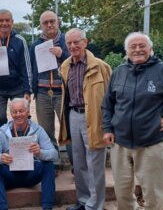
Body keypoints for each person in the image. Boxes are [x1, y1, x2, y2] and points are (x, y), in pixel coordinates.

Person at [102, 32, 163, 210]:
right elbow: (107, 104)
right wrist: (107, 128)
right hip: (120, 144)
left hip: (150, 144)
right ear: (126, 51)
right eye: (133, 46)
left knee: (153, 195)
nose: (138, 49)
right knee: (122, 193)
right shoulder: (119, 72)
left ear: (150, 49)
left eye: (142, 45)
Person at [59, 28, 112, 210]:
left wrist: (108, 125)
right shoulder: (65, 66)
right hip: (73, 115)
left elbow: (110, 98)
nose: (73, 46)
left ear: (85, 42)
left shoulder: (101, 67)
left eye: (76, 42)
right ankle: (83, 200)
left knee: (95, 164)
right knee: (79, 161)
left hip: (94, 117)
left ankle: (95, 205)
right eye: (69, 43)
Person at [0, 98, 58, 210]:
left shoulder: (38, 130)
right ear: (11, 114)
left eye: (21, 111)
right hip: (10, 174)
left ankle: (47, 206)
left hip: (31, 174)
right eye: (15, 112)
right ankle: (2, 207)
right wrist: (1, 158)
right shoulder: (2, 131)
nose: (18, 115)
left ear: (28, 112)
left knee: (48, 164)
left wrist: (40, 153)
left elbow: (54, 154)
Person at [30, 10, 71, 165]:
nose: (49, 25)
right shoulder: (35, 45)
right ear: (41, 26)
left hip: (63, 92)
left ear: (58, 21)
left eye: (52, 21)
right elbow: (31, 69)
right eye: (45, 23)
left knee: (67, 128)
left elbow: (76, 62)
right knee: (46, 131)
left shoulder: (67, 41)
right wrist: (30, 90)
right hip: (42, 92)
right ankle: (53, 163)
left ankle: (74, 164)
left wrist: (62, 54)